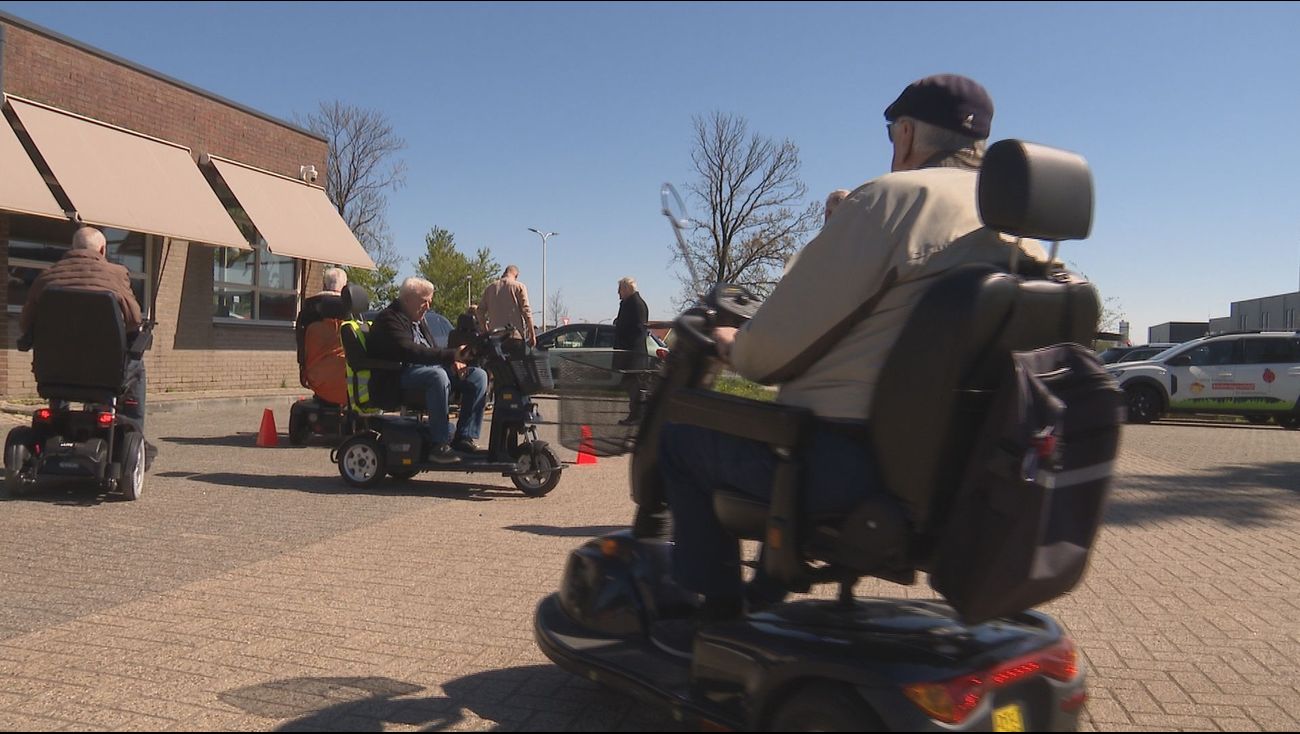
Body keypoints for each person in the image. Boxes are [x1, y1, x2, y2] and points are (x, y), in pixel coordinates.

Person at [651, 74, 1050, 657]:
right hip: (971, 470)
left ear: (907, 134)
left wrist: (733, 340)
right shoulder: (1025, 240)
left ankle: (711, 618)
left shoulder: (891, 200)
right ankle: (770, 586)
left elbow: (768, 357)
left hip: (856, 467)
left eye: (893, 134)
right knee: (785, 427)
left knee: (684, 438)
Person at [20, 226, 147, 425]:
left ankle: (57, 418)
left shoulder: (46, 276)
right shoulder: (116, 274)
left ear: (73, 248)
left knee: (61, 362)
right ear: (103, 250)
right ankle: (132, 427)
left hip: (55, 371)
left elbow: (25, 323)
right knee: (137, 365)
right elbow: (133, 320)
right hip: (104, 370)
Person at [367, 277, 488, 464]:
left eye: (430, 301)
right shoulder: (389, 319)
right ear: (408, 299)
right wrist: (450, 356)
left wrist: (452, 362)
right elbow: (412, 351)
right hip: (397, 376)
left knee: (478, 376)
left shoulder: (417, 319)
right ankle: (438, 445)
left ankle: (464, 437)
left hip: (424, 371)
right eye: (425, 301)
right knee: (437, 376)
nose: (428, 306)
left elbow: (429, 351)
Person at [294, 266, 349, 406]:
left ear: (324, 284)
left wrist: (303, 370)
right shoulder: (350, 310)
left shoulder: (307, 311)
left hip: (314, 378)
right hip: (347, 380)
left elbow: (300, 344)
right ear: (345, 287)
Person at [613, 276, 650, 426]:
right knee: (630, 385)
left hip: (634, 354)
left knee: (634, 386)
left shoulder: (636, 304)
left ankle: (637, 416)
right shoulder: (629, 304)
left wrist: (629, 352)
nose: (618, 293)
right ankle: (635, 415)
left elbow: (638, 330)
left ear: (627, 289)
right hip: (629, 352)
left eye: (620, 289)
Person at [478, 265, 536, 347]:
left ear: (504, 273)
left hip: (495, 337)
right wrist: (532, 334)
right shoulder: (519, 287)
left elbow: (480, 311)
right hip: (514, 336)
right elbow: (526, 311)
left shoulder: (490, 288)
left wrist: (485, 330)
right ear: (516, 276)